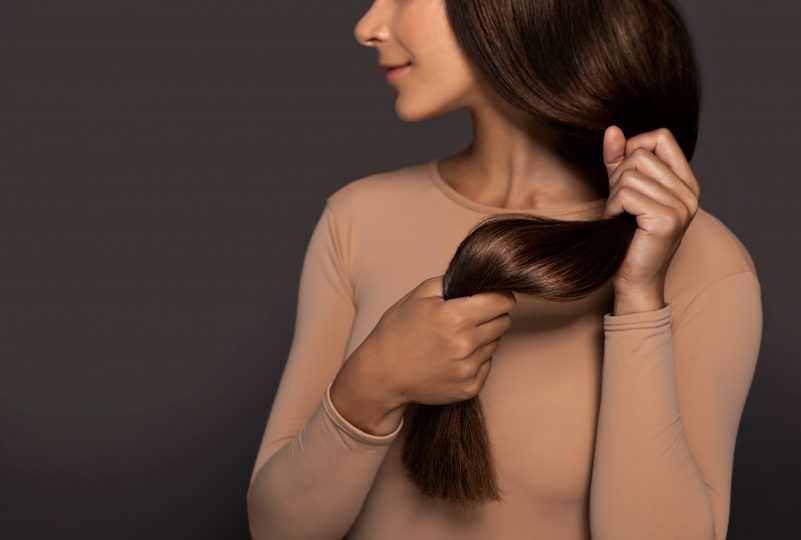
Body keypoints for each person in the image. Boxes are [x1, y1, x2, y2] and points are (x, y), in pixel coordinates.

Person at [246, 1, 762, 539]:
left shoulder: (706, 263)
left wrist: (638, 299)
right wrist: (372, 382)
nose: (367, 28)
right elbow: (276, 529)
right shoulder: (357, 219)